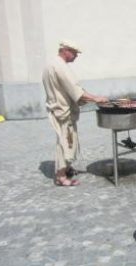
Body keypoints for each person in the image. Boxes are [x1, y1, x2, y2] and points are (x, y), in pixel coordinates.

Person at [42, 40, 109, 186]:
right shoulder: (60, 67)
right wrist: (96, 98)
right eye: (74, 53)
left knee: (68, 139)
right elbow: (76, 91)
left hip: (57, 107)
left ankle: (66, 167)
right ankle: (61, 176)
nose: (76, 56)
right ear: (65, 50)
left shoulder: (51, 63)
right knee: (65, 141)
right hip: (62, 110)